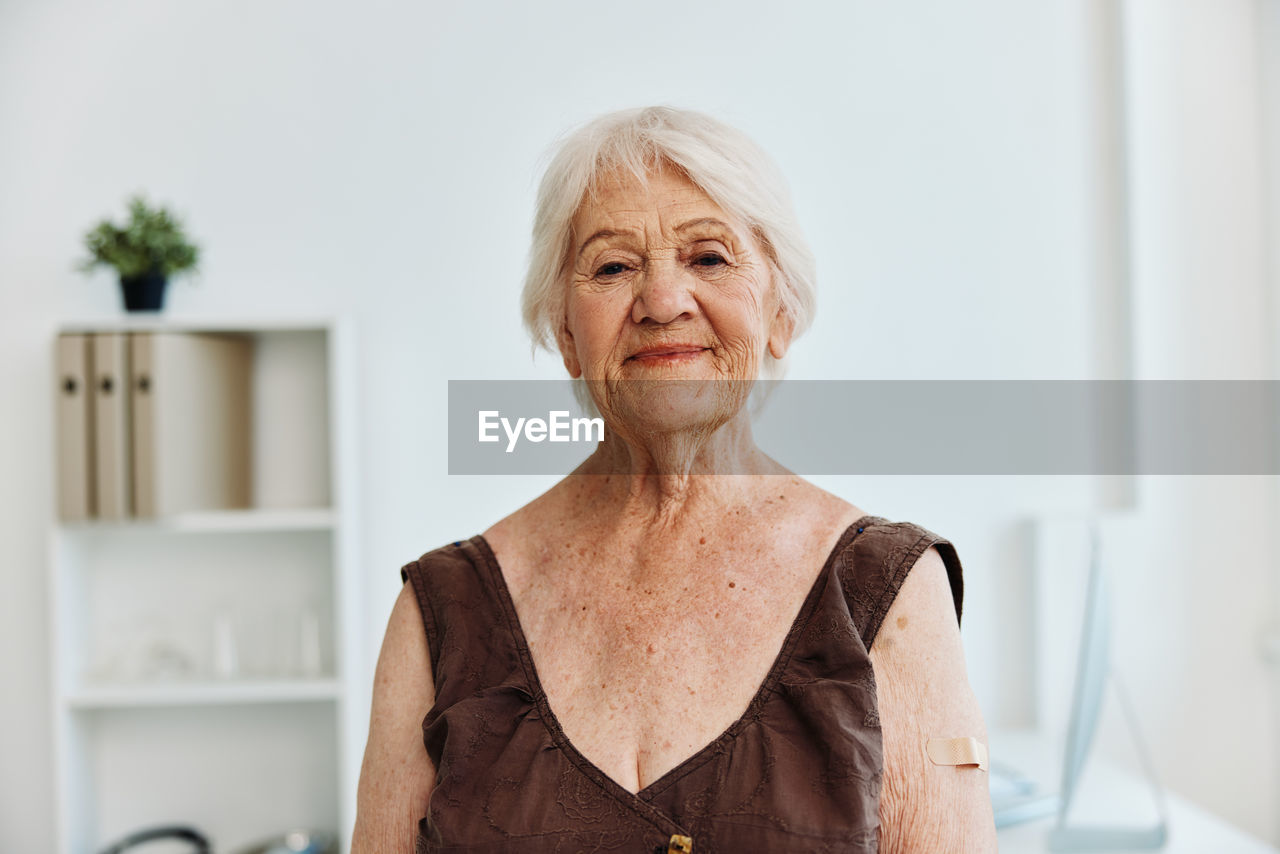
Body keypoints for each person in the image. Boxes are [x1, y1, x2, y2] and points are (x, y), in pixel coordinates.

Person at [353, 106, 996, 853]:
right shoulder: (439, 615)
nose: (662, 301)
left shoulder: (886, 593)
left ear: (780, 314)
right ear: (566, 333)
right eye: (614, 266)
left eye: (710, 258)